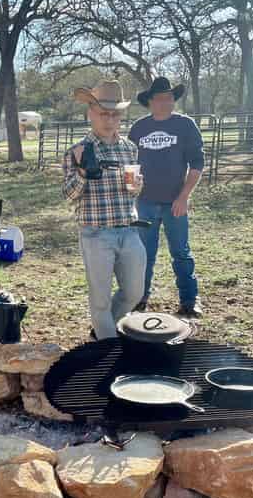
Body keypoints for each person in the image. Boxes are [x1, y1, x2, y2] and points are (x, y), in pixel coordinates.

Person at [63, 80, 146, 340]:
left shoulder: (129, 149)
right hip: (95, 233)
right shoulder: (77, 151)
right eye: (103, 114)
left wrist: (137, 188)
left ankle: (103, 330)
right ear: (90, 113)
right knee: (99, 300)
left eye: (115, 114)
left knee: (134, 292)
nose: (109, 120)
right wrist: (83, 173)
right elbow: (69, 195)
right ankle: (108, 350)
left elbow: (133, 191)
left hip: (129, 230)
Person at [128, 77, 205, 318]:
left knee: (181, 251)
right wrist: (131, 193)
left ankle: (190, 300)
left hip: (175, 202)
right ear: (150, 102)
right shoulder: (139, 128)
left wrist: (184, 196)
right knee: (144, 254)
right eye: (160, 98)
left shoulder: (185, 125)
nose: (166, 102)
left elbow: (197, 163)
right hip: (145, 202)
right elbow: (130, 165)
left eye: (170, 98)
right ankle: (139, 297)